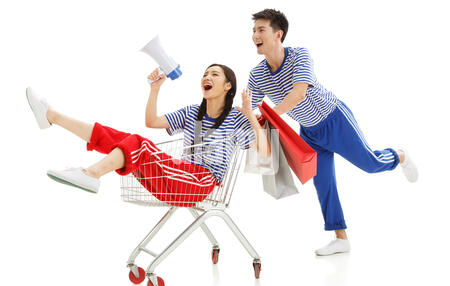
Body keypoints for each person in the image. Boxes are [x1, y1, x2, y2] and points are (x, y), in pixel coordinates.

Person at [247, 9, 418, 255]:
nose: (255, 35)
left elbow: (299, 94)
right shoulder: (258, 74)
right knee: (323, 183)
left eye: (261, 29)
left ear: (278, 34)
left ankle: (398, 155)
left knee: (369, 164)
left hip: (335, 120)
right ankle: (341, 238)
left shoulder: (299, 56)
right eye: (253, 30)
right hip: (309, 132)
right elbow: (249, 106)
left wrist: (269, 115)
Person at [26, 64, 269, 206]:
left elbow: (265, 153)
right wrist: (154, 90)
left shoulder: (237, 119)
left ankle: (91, 173)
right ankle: (51, 116)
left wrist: (249, 115)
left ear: (228, 86)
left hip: (202, 182)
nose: (207, 77)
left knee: (136, 144)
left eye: (214, 75)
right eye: (205, 74)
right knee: (122, 138)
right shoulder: (192, 112)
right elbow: (151, 121)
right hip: (179, 172)